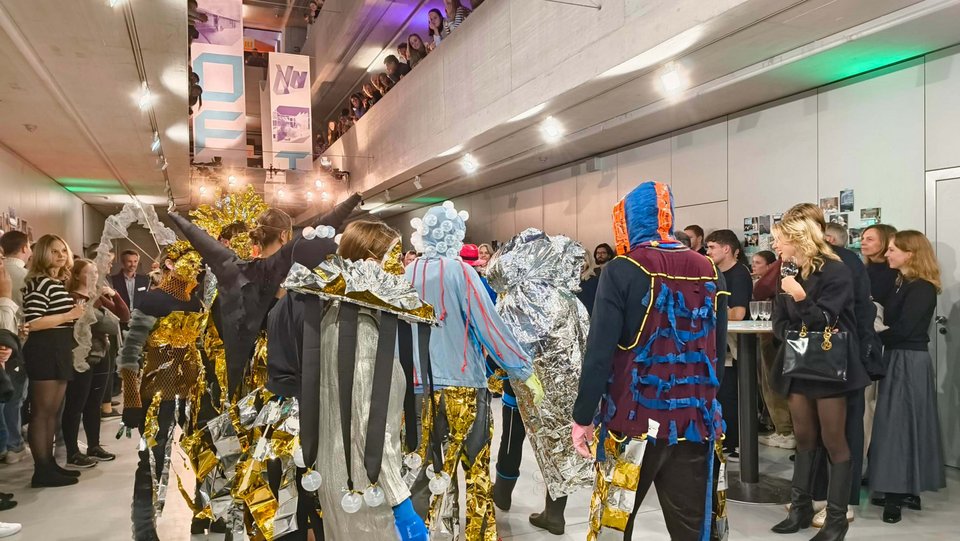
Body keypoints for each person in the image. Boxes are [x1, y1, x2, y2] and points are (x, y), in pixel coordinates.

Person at [572, 181, 728, 541]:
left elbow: (599, 351)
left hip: (633, 422)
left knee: (613, 523)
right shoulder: (708, 268)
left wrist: (583, 416)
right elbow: (715, 353)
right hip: (696, 422)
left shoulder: (621, 269)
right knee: (693, 526)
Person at [284, 220, 430, 541]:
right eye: (394, 258)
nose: (401, 269)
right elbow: (368, 422)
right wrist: (400, 501)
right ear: (370, 263)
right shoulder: (359, 331)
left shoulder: (336, 317)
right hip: (365, 488)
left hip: (344, 475)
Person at [405, 201, 541, 540]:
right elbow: (489, 326)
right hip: (463, 387)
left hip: (416, 389)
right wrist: (522, 369)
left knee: (419, 472)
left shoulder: (406, 274)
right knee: (476, 469)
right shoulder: (461, 273)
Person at [168, 194, 361, 399]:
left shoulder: (235, 272)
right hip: (281, 368)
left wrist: (176, 217)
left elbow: (206, 247)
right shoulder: (289, 272)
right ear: (285, 236)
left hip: (241, 369)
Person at [486, 228, 593, 536]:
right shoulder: (568, 298)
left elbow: (501, 344)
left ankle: (502, 495)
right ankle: (554, 514)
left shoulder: (517, 297)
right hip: (565, 391)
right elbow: (585, 341)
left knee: (512, 439)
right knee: (558, 444)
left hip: (521, 388)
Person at [781, 203, 883, 527]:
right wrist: (791, 328)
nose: (777, 244)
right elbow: (779, 318)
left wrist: (799, 299)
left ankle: (838, 514)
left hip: (833, 362)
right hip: (799, 360)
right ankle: (801, 507)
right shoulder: (791, 269)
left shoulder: (839, 266)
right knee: (805, 438)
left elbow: (834, 317)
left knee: (837, 438)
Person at [118, 241, 206, 540]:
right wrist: (130, 399)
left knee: (196, 457)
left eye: (199, 263)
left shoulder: (196, 301)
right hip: (157, 394)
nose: (197, 268)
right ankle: (144, 529)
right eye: (190, 262)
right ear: (170, 263)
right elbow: (130, 353)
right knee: (151, 460)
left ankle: (199, 516)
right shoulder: (152, 301)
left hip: (192, 393)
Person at [868, 231, 945, 523]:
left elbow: (906, 329)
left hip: (908, 359)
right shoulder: (903, 283)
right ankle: (900, 486)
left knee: (900, 424)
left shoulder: (921, 288)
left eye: (892, 250)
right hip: (899, 357)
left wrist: (875, 334)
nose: (887, 254)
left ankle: (897, 494)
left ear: (909, 254)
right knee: (896, 423)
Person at [22, 235, 86, 487]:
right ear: (42, 255)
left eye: (63, 251)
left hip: (58, 347)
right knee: (42, 413)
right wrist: (70, 314)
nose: (60, 255)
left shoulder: (54, 282)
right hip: (45, 349)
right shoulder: (40, 283)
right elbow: (33, 322)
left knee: (52, 414)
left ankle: (49, 463)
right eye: (54, 251)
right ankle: (42, 469)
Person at [62, 259, 126, 468]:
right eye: (90, 274)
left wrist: (114, 294)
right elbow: (109, 323)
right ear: (78, 275)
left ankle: (94, 445)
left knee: (94, 403)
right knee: (76, 404)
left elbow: (123, 316)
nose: (94, 277)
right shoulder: (74, 298)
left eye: (96, 273)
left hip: (101, 353)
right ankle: (72, 451)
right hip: (83, 355)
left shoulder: (95, 297)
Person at [705, 229, 752, 459]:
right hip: (718, 342)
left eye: (712, 247)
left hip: (735, 344)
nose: (707, 251)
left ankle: (732, 442)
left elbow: (738, 314)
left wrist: (714, 309)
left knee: (730, 393)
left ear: (726, 248)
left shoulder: (739, 274)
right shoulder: (713, 273)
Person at [750, 250, 795, 450]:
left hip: (782, 331)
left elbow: (762, 289)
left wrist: (780, 261)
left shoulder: (786, 263)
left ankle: (785, 431)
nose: (777, 245)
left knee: (774, 382)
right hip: (784, 329)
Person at [0, 232, 30, 464]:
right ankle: (13, 444)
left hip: (11, 340)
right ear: (24, 248)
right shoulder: (25, 276)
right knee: (14, 395)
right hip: (14, 342)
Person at [860, 224, 898, 307]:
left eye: (869, 239)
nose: (863, 242)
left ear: (886, 242)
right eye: (862, 239)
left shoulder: (896, 273)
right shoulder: (861, 270)